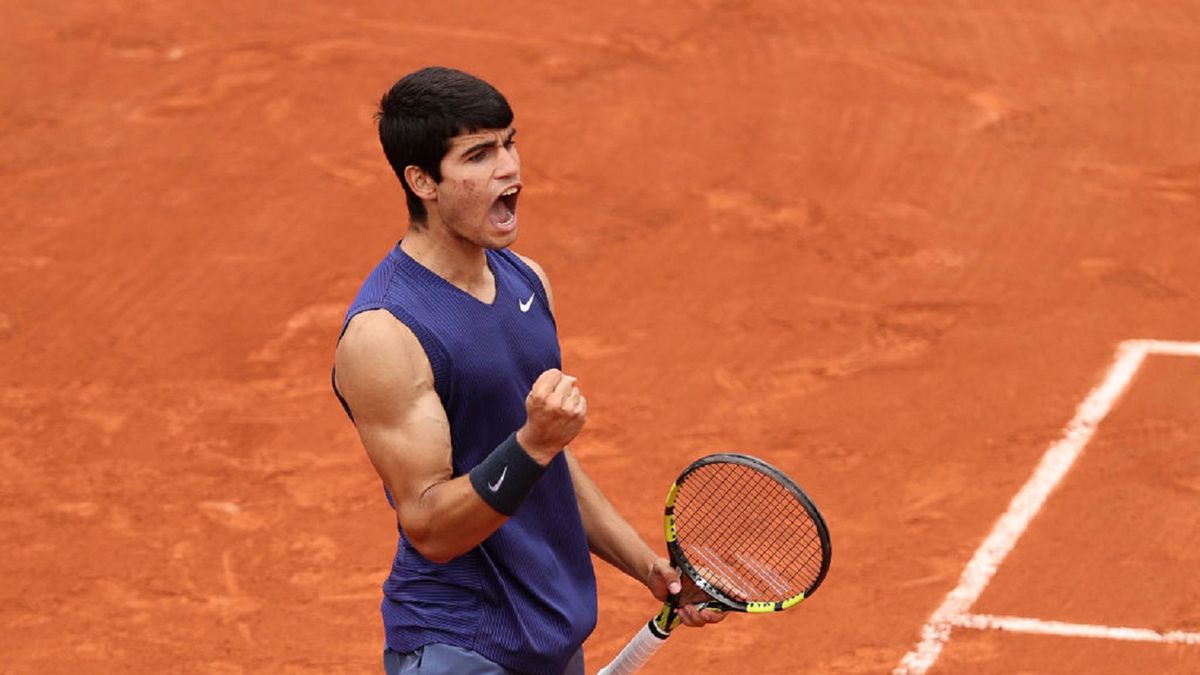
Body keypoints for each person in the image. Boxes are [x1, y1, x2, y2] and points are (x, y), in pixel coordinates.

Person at [331, 66, 724, 675]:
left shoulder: (525, 280)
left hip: (549, 634)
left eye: (510, 143)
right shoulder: (385, 334)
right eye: (480, 154)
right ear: (422, 181)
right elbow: (431, 526)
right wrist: (535, 442)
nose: (510, 168)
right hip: (460, 644)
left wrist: (650, 568)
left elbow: (546, 462)